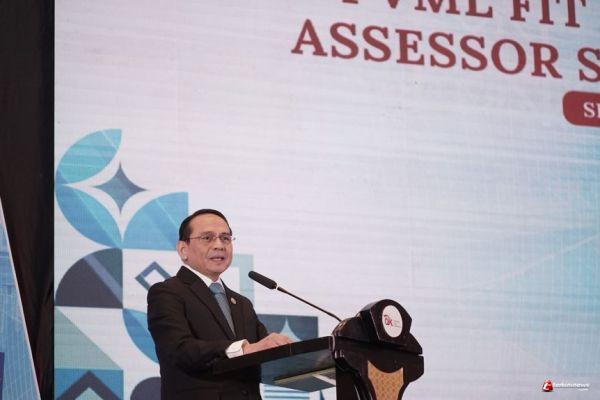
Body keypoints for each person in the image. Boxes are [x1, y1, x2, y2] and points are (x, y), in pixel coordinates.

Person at [147, 209, 293, 400]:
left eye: (225, 238)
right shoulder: (167, 292)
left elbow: (263, 355)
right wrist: (243, 349)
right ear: (183, 249)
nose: (219, 245)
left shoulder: (242, 304)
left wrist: (295, 355)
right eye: (207, 238)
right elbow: (179, 351)